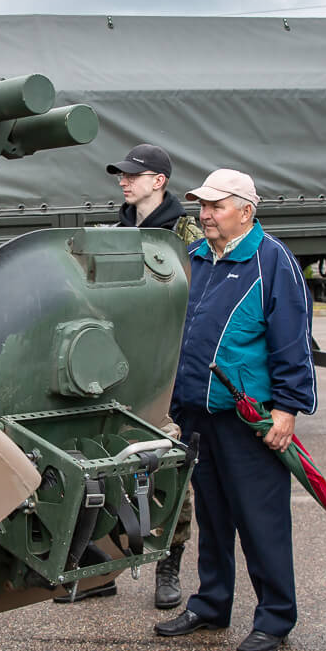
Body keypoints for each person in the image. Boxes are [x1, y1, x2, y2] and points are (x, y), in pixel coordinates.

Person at [152, 168, 314, 651]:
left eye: (216, 207)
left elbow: (292, 340)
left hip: (249, 416)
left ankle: (275, 617)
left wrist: (287, 408)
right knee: (214, 516)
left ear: (246, 210)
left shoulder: (272, 260)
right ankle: (212, 603)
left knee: (260, 519)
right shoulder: (197, 258)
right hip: (199, 413)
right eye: (202, 206)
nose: (204, 216)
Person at [59, 145, 204, 608]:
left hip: (165, 365)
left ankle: (168, 566)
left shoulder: (187, 233)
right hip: (120, 363)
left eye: (133, 175)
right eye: (121, 175)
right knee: (103, 460)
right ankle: (102, 570)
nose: (123, 181)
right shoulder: (119, 229)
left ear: (158, 180)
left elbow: (196, 301)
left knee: (164, 462)